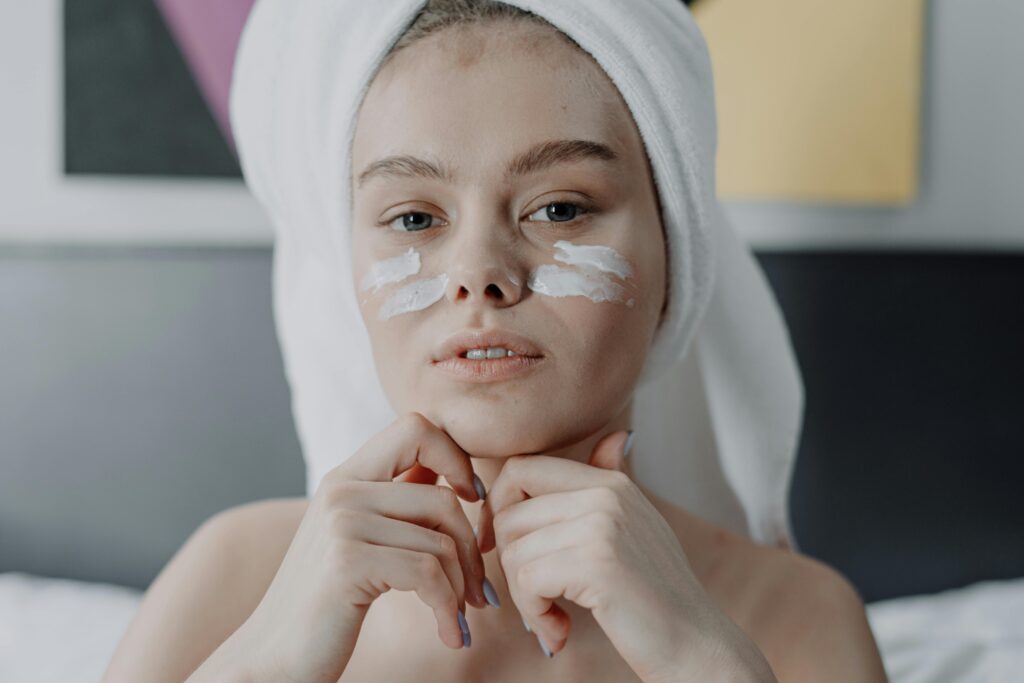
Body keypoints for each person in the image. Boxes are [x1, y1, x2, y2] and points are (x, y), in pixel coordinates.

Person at [103, 1, 889, 681]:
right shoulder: (235, 581)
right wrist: (265, 665)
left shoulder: (793, 618)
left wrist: (703, 660)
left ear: (674, 261)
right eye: (414, 218)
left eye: (559, 208)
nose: (480, 274)